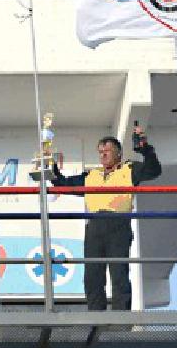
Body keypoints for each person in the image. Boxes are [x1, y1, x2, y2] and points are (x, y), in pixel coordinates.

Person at [50, 124, 161, 310]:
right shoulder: (92, 175)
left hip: (118, 223)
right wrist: (50, 168)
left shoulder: (129, 169)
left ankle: (121, 315)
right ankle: (96, 315)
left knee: (119, 272)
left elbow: (154, 170)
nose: (103, 155)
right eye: (100, 152)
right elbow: (63, 184)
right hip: (94, 225)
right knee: (92, 273)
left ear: (118, 153)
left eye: (107, 151)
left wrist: (145, 149)